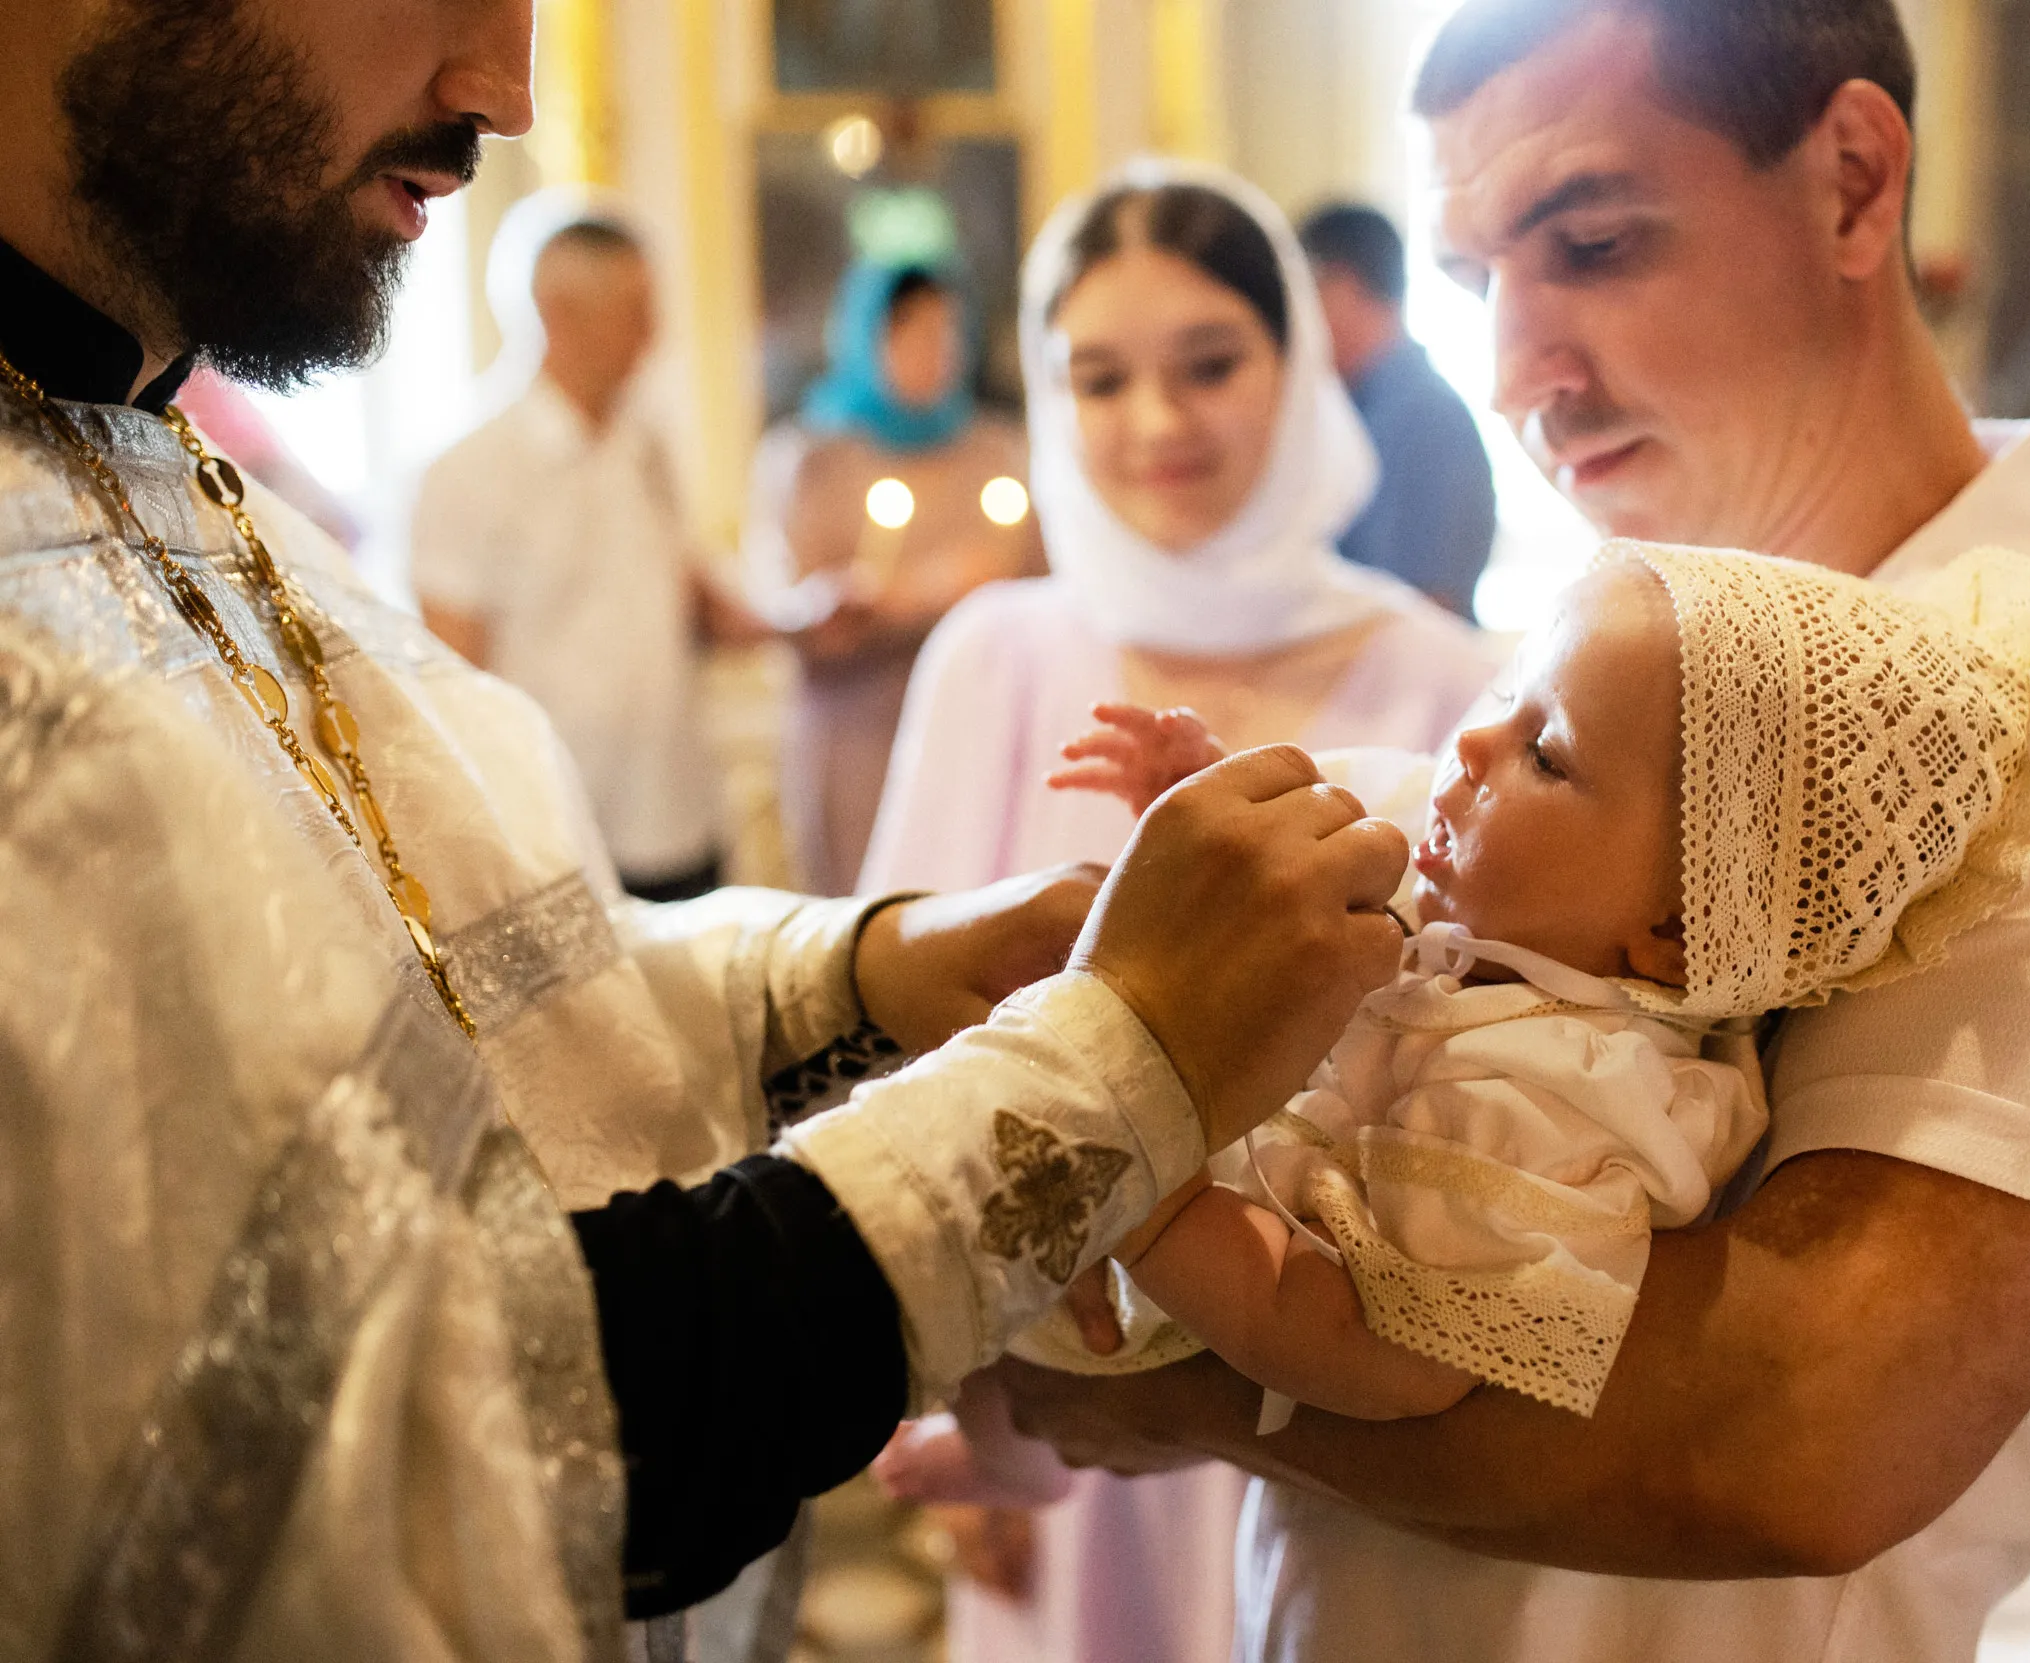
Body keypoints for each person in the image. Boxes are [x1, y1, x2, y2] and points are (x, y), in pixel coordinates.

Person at [0, 2, 1410, 1657]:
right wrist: (1109, 1066)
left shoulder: (155, 455)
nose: (508, 92)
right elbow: (412, 1447)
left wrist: (870, 970)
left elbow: (467, 1020)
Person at [992, 4, 2030, 1661]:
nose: (1514, 369)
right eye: (1480, 277)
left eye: (1593, 243)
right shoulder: (1591, 660)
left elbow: (1801, 1428)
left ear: (1854, 182)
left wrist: (1166, 1384)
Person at [883, 537, 2030, 1494]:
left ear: (1671, 936)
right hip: (1160, 1182)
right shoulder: (1482, 891)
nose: (1471, 741)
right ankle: (985, 1436)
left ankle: (993, 1453)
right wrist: (1199, 794)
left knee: (984, 1310)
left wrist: (1146, 1197)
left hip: (1189, 1266)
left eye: (1547, 753)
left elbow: (1364, 1351)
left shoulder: (1554, 1097)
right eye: (1505, 692)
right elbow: (1292, 857)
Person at [857, 162, 1503, 1663]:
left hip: (1339, 1380)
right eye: (1101, 378)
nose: (1158, 421)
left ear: (1296, 360)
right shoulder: (995, 656)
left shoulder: (1447, 678)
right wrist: (964, 1395)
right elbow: (902, 1056)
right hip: (1055, 1361)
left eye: (1210, 363)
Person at [412, 200, 764, 901]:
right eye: (635, 311)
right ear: (559, 314)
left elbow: (689, 600)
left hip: (677, 806)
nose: (653, 335)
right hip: (558, 829)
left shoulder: (647, 443)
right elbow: (454, 680)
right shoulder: (470, 471)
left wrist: (800, 622)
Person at [749, 255, 1041, 895]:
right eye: (910, 332)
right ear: (866, 337)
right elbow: (788, 606)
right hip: (859, 734)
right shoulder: (812, 460)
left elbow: (1041, 582)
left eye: (945, 331)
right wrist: (909, 594)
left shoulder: (996, 452)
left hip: (978, 730)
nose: (932, 351)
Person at [1299, 202, 1498, 617]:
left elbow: (1429, 609)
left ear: (1342, 284)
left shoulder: (1426, 420)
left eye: (1301, 293)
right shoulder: (1358, 409)